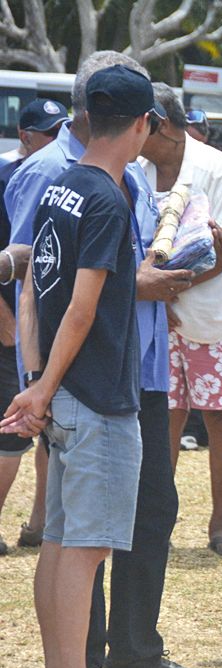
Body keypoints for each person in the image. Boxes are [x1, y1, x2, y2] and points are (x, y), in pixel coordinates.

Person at [6, 50, 209, 668]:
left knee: (67, 544)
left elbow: (35, 282)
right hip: (96, 396)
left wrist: (40, 381)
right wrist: (39, 385)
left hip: (75, 388)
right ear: (145, 123)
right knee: (86, 550)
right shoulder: (99, 193)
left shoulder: (71, 184)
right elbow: (81, 309)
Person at [139, 85, 222, 557]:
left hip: (213, 316)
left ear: (159, 124)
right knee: (160, 416)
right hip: (154, 316)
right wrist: (153, 296)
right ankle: (155, 520)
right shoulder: (136, 167)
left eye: (137, 121)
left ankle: (220, 525)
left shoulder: (214, 166)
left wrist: (168, 288)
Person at [0, 98, 67, 553]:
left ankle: (40, 520)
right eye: (48, 131)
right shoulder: (7, 176)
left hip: (41, 325)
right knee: (10, 432)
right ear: (26, 135)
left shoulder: (64, 177)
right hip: (9, 324)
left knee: (46, 429)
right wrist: (4, 319)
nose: (56, 138)